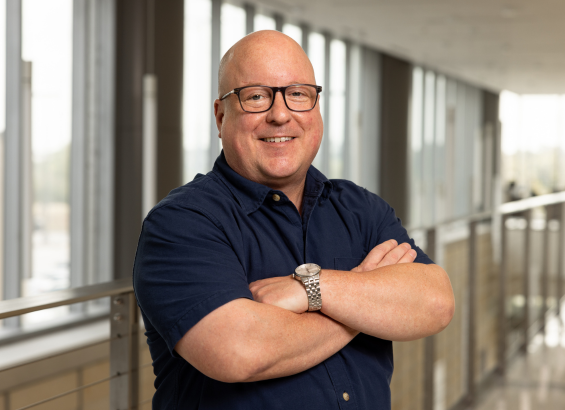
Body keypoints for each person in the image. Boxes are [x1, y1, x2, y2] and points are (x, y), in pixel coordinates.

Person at [133, 30, 454, 410]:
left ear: (316, 108)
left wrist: (311, 289)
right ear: (221, 116)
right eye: (256, 96)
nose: (280, 114)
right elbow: (239, 350)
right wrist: (366, 305)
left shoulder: (359, 208)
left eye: (297, 94)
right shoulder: (182, 223)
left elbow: (435, 302)